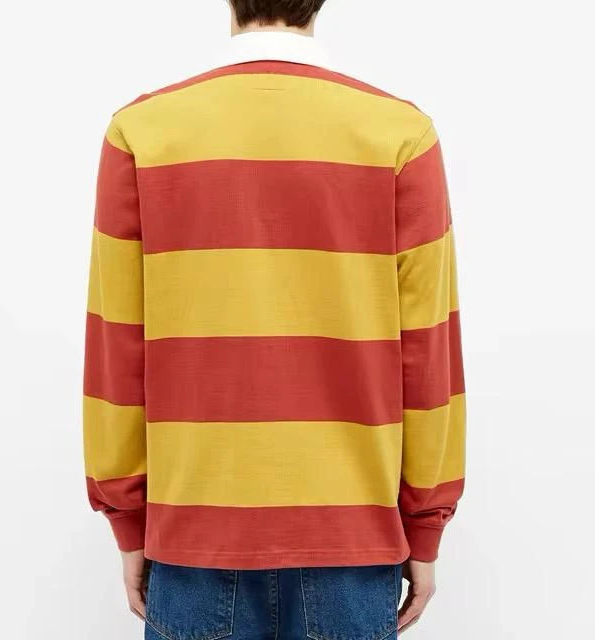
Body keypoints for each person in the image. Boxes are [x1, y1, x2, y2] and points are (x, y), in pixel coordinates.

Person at [82, 1, 466, 637]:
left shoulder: (144, 132)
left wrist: (128, 519)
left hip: (194, 534)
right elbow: (429, 353)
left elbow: (116, 347)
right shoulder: (399, 135)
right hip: (353, 538)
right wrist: (425, 527)